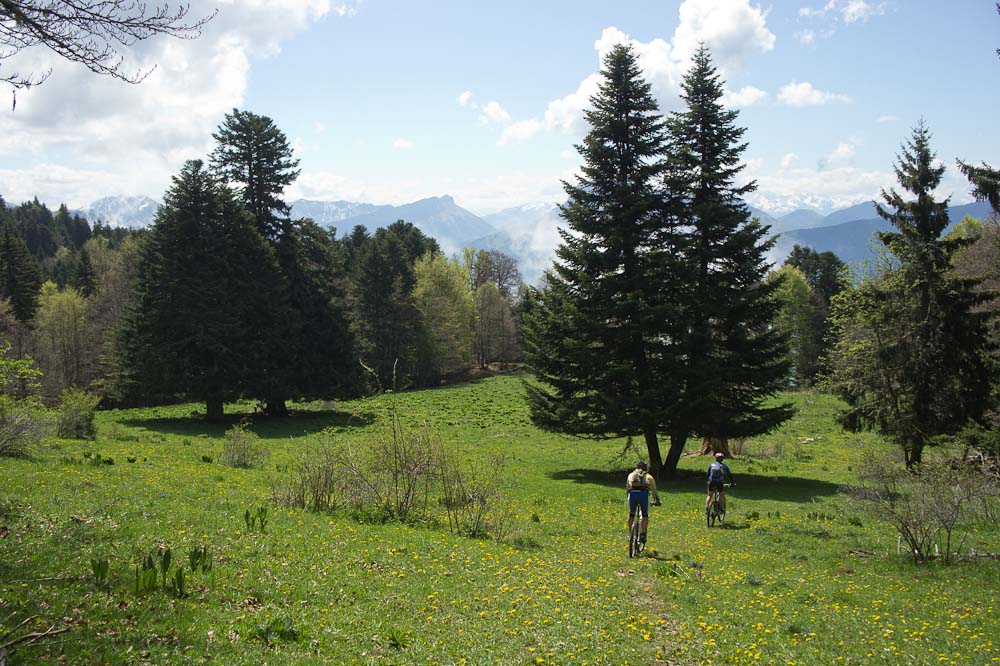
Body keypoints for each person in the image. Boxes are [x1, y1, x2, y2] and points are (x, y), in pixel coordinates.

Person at [626, 461, 660, 545]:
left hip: (632, 495)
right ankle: (643, 535)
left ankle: (630, 534)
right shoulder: (648, 476)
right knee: (645, 515)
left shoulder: (631, 475)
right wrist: (657, 500)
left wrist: (628, 497)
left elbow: (627, 488)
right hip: (643, 495)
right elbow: (654, 490)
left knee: (631, 515)